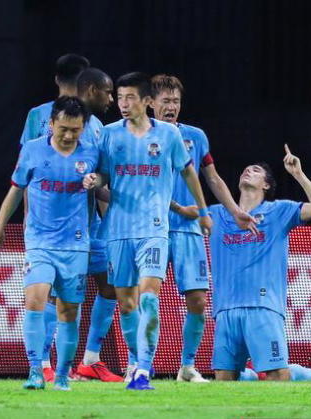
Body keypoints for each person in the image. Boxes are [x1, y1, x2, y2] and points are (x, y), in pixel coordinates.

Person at [83, 72, 212, 390]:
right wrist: (94, 180)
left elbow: (189, 172)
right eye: (120, 98)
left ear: (145, 101)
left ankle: (143, 370)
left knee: (149, 299)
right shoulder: (109, 134)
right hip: (119, 231)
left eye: (130, 98)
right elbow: (103, 175)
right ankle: (135, 361)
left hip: (154, 230)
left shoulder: (168, 135)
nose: (123, 104)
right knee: (127, 304)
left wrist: (203, 211)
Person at [149, 74, 256, 383]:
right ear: (151, 103)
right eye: (165, 101)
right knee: (147, 298)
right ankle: (139, 363)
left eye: (176, 101)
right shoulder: (142, 136)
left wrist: (236, 211)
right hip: (152, 229)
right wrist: (177, 207)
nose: (171, 107)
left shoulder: (195, 136)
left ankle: (187, 367)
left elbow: (213, 178)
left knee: (198, 300)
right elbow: (142, 184)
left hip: (189, 231)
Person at [0, 96, 96, 391]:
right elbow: (15, 190)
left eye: (75, 130)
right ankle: (36, 370)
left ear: (83, 127)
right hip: (40, 242)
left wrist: (97, 180)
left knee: (68, 311)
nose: (68, 135)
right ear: (51, 124)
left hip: (75, 245)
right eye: (63, 128)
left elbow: (105, 182)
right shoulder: (33, 150)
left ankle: (62, 375)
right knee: (35, 300)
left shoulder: (91, 152)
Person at [209, 145, 311, 381]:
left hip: (263, 305)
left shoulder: (278, 211)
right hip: (225, 307)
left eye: (255, 170)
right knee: (224, 379)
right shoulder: (217, 214)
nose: (248, 171)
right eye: (246, 169)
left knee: (277, 374)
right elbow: (181, 214)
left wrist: (298, 175)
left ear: (265, 185)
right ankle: (252, 377)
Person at [18, 54, 90, 381]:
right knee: (41, 294)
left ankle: (60, 369)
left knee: (67, 304)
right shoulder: (39, 117)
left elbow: (99, 175)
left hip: (78, 228)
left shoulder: (93, 125)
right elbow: (27, 171)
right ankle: (42, 366)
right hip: (48, 227)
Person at [71, 68, 124, 383]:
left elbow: (98, 180)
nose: (111, 99)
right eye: (108, 92)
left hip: (94, 227)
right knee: (64, 296)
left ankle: (90, 360)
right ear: (91, 89)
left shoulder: (99, 128)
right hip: (64, 229)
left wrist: (117, 204)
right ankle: (53, 366)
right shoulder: (62, 122)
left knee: (110, 285)